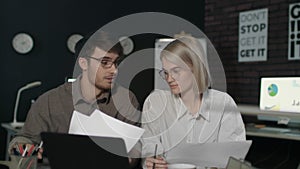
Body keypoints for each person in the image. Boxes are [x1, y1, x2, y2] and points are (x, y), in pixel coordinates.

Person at [8, 30, 141, 168]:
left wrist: (130, 157)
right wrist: (27, 150)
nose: (114, 70)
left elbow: (135, 146)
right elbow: (18, 144)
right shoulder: (49, 101)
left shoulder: (126, 99)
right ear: (83, 63)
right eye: (105, 62)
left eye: (116, 62)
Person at [141, 36, 246, 169]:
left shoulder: (223, 103)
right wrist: (150, 161)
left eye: (176, 71)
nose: (169, 78)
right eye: (166, 72)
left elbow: (233, 160)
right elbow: (149, 148)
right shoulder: (156, 102)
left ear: (196, 68)